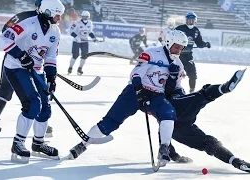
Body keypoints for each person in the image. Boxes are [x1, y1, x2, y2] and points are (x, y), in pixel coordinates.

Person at [68, 30, 189, 168]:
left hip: (156, 96)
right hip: (134, 92)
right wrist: (139, 89)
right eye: (176, 46)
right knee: (110, 122)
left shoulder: (178, 65)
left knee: (168, 113)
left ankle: (164, 148)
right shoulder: (152, 53)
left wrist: (174, 78)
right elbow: (135, 74)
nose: (179, 50)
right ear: (168, 43)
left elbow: (174, 89)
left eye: (181, 48)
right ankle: (83, 144)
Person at [0, 0, 65, 163]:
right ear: (48, 12)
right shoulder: (28, 22)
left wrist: (51, 76)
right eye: (57, 15)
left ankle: (38, 143)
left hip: (36, 70)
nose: (59, 19)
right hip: (15, 67)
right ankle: (18, 143)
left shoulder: (55, 31)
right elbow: (4, 39)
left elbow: (50, 55)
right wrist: (21, 55)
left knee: (45, 105)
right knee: (32, 103)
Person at [163, 68, 250, 173]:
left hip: (181, 128)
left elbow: (163, 131)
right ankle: (225, 88)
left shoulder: (175, 88)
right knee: (201, 95)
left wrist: (174, 155)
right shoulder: (164, 94)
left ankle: (235, 161)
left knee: (209, 142)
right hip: (176, 113)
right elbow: (163, 128)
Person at [0, 0, 52, 137]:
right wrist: (20, 52)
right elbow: (6, 32)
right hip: (15, 60)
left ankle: (40, 121)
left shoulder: (50, 23)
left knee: (39, 90)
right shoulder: (24, 16)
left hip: (34, 63)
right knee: (6, 87)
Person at [175, 12, 211, 93]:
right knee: (175, 73)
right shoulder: (179, 28)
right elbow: (171, 39)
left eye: (192, 20)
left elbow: (199, 43)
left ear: (195, 21)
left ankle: (192, 91)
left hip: (188, 55)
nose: (191, 22)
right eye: (189, 20)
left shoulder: (196, 31)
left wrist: (205, 44)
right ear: (186, 21)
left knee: (193, 74)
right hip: (177, 55)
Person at [68, 10, 98, 75]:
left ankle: (80, 68)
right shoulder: (76, 23)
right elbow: (71, 31)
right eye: (84, 17)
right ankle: (70, 67)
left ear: (88, 17)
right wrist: (76, 37)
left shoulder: (90, 23)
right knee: (75, 55)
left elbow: (90, 32)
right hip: (77, 41)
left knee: (85, 55)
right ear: (81, 17)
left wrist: (93, 38)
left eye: (86, 17)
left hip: (84, 41)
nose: (85, 18)